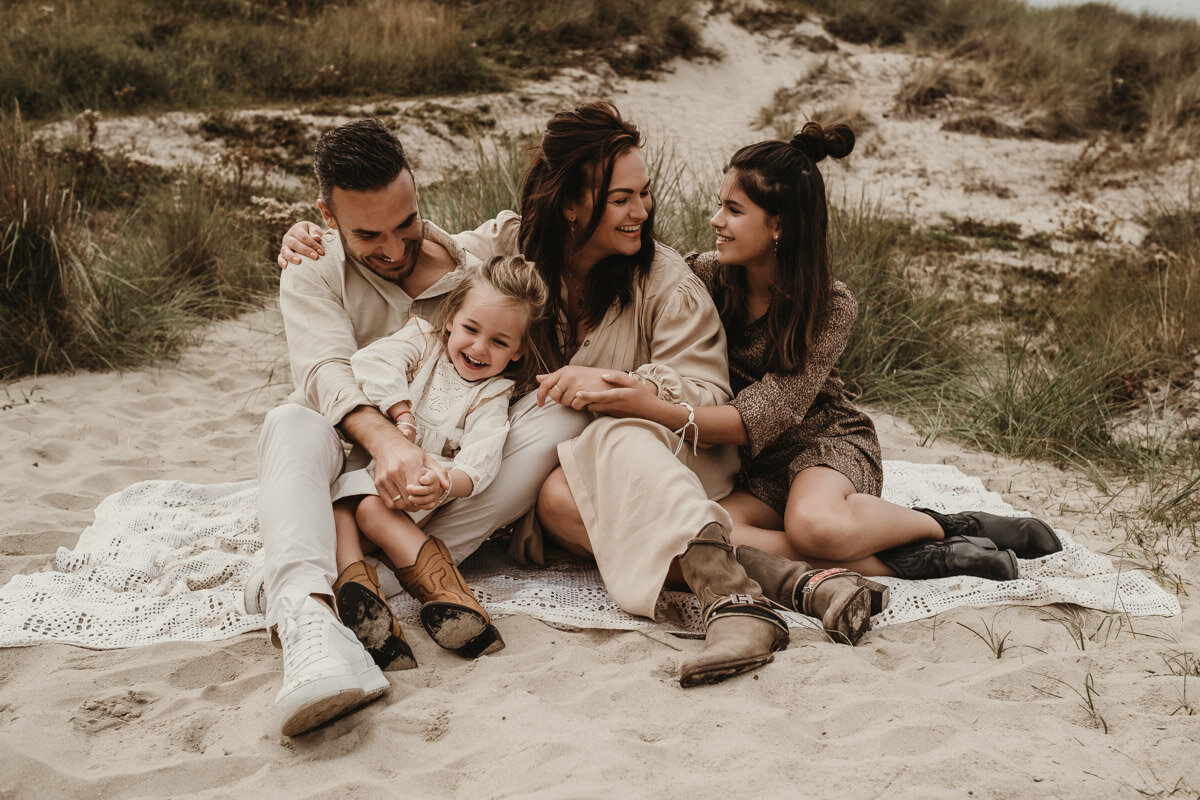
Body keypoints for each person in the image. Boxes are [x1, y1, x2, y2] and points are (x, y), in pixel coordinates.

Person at [281, 103, 872, 689]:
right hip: (556, 474)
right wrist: (317, 238)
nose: (642, 211)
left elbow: (708, 391)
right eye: (621, 199)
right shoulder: (510, 249)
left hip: (668, 455)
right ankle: (785, 583)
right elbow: (437, 263)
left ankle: (742, 599)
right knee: (560, 494)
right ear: (569, 204)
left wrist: (625, 390)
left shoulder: (667, 282)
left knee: (591, 431)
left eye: (643, 193)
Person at [552, 122, 1062, 595]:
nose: (715, 221)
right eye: (719, 206)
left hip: (821, 443)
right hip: (752, 467)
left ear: (778, 225)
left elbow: (769, 413)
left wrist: (650, 407)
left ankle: (949, 525)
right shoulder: (704, 277)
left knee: (815, 526)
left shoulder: (829, 305)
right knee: (709, 530)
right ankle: (917, 558)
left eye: (733, 210)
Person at [258, 118, 588, 738]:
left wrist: (445, 478)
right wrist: (389, 440)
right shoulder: (312, 268)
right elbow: (327, 370)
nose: (391, 247)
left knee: (562, 409)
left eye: (404, 223)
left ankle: (390, 573)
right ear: (326, 216)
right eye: (368, 234)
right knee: (289, 420)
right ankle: (311, 620)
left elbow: (566, 222)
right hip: (351, 461)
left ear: (416, 193)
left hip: (440, 490)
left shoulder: (478, 254)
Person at [329, 255, 548, 671]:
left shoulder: (491, 396)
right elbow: (370, 363)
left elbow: (481, 459)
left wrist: (445, 482)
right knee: (339, 507)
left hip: (411, 498)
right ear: (450, 319)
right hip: (366, 478)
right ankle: (362, 599)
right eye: (470, 329)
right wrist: (401, 413)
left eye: (500, 342)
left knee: (368, 509)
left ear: (518, 351)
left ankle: (444, 594)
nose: (479, 348)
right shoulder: (422, 342)